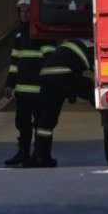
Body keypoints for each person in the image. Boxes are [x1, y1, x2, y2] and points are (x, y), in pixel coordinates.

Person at [28, 37, 94, 167]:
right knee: (93, 90)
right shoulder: (92, 47)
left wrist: (70, 94)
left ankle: (40, 157)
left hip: (46, 76)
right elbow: (97, 69)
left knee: (45, 122)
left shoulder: (72, 44)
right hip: (62, 73)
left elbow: (73, 69)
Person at [4, 0, 52, 167]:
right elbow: (14, 63)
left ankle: (39, 155)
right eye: (22, 11)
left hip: (39, 90)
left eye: (28, 11)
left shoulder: (42, 33)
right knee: (22, 125)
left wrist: (48, 84)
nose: (24, 14)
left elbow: (49, 59)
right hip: (22, 91)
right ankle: (23, 153)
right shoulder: (19, 34)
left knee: (40, 124)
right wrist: (9, 84)